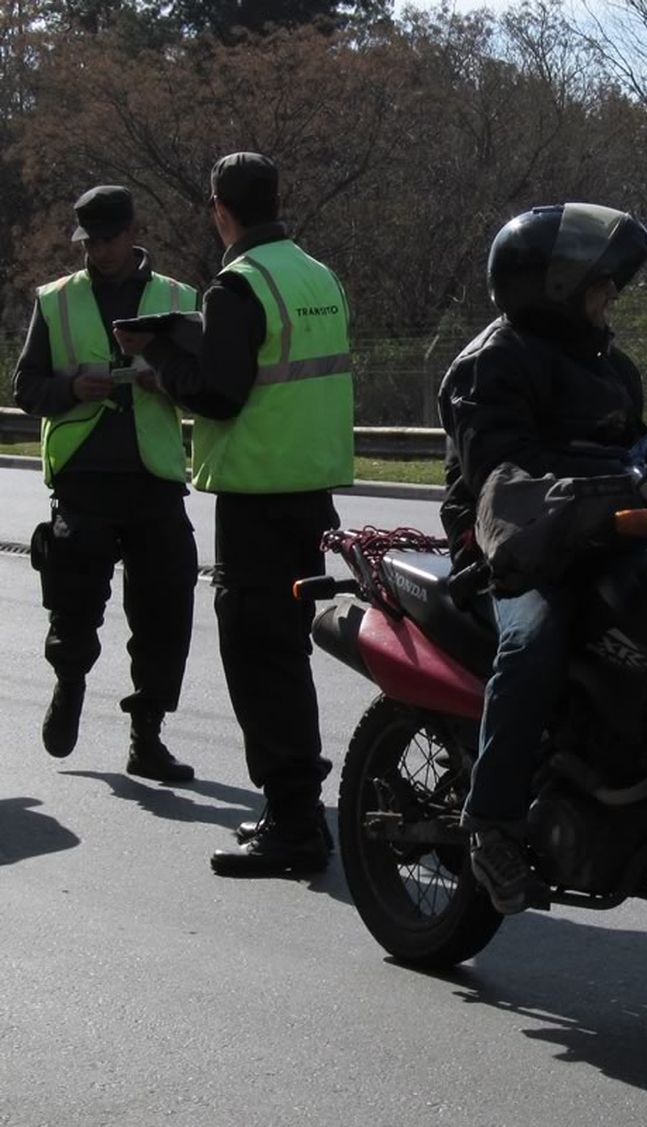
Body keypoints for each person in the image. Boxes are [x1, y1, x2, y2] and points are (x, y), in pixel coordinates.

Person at [437, 203, 647, 971]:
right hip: (515, 553)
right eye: (599, 284)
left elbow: (638, 451)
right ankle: (489, 821)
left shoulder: (611, 366)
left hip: (606, 541)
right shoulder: (493, 362)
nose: (609, 295)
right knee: (535, 637)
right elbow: (501, 483)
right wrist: (611, 487)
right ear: (555, 286)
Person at [115, 152, 353, 877]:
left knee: (259, 664)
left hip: (256, 501)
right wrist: (198, 332)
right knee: (289, 658)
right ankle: (299, 813)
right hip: (311, 497)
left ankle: (294, 827)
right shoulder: (319, 276)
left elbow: (218, 394)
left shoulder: (238, 284)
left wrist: (159, 359)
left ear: (221, 208)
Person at [12, 185, 199, 783]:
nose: (97, 253)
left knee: (165, 611)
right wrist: (69, 389)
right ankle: (69, 686)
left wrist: (162, 380)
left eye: (106, 241)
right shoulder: (57, 300)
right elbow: (25, 389)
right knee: (73, 604)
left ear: (130, 232)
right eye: (88, 242)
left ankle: (147, 736)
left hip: (154, 480)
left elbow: (203, 384)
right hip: (85, 478)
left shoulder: (177, 298)